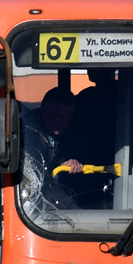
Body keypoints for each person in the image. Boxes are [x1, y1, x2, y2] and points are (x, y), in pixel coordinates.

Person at [19, 87, 83, 219]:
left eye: (68, 118)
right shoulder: (28, 134)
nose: (64, 123)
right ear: (44, 113)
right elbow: (40, 179)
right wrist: (71, 206)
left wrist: (69, 162)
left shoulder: (66, 133)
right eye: (60, 117)